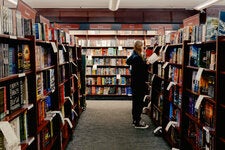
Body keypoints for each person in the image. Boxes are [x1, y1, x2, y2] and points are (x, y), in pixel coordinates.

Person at [126, 40, 149, 129]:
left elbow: (128, 62)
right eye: (143, 46)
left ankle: (135, 120)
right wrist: (147, 64)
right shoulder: (138, 58)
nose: (143, 48)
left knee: (135, 102)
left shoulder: (133, 55)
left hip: (135, 83)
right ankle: (137, 122)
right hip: (139, 83)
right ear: (140, 47)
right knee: (139, 102)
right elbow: (141, 71)